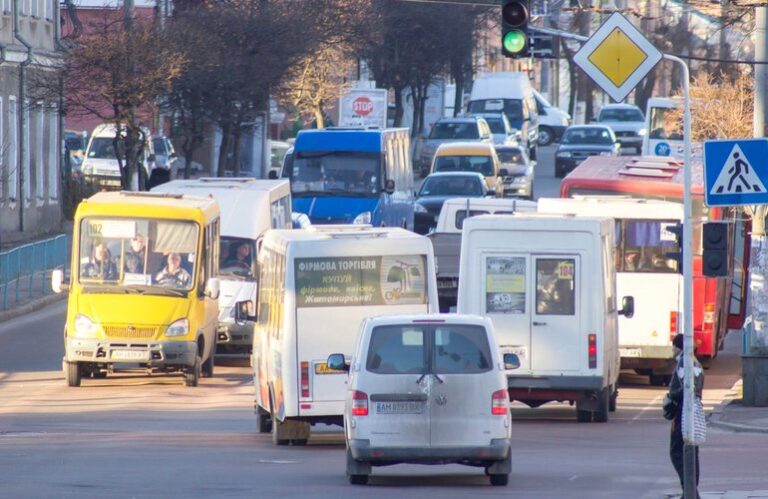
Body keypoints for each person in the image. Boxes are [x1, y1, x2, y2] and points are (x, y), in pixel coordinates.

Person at [667, 333, 704, 497]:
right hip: (694, 410)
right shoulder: (695, 362)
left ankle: (689, 490)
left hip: (683, 412)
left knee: (677, 451)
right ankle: (690, 490)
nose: (672, 350)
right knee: (692, 450)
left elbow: (687, 388)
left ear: (678, 347)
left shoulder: (684, 363)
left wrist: (670, 397)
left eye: (674, 346)